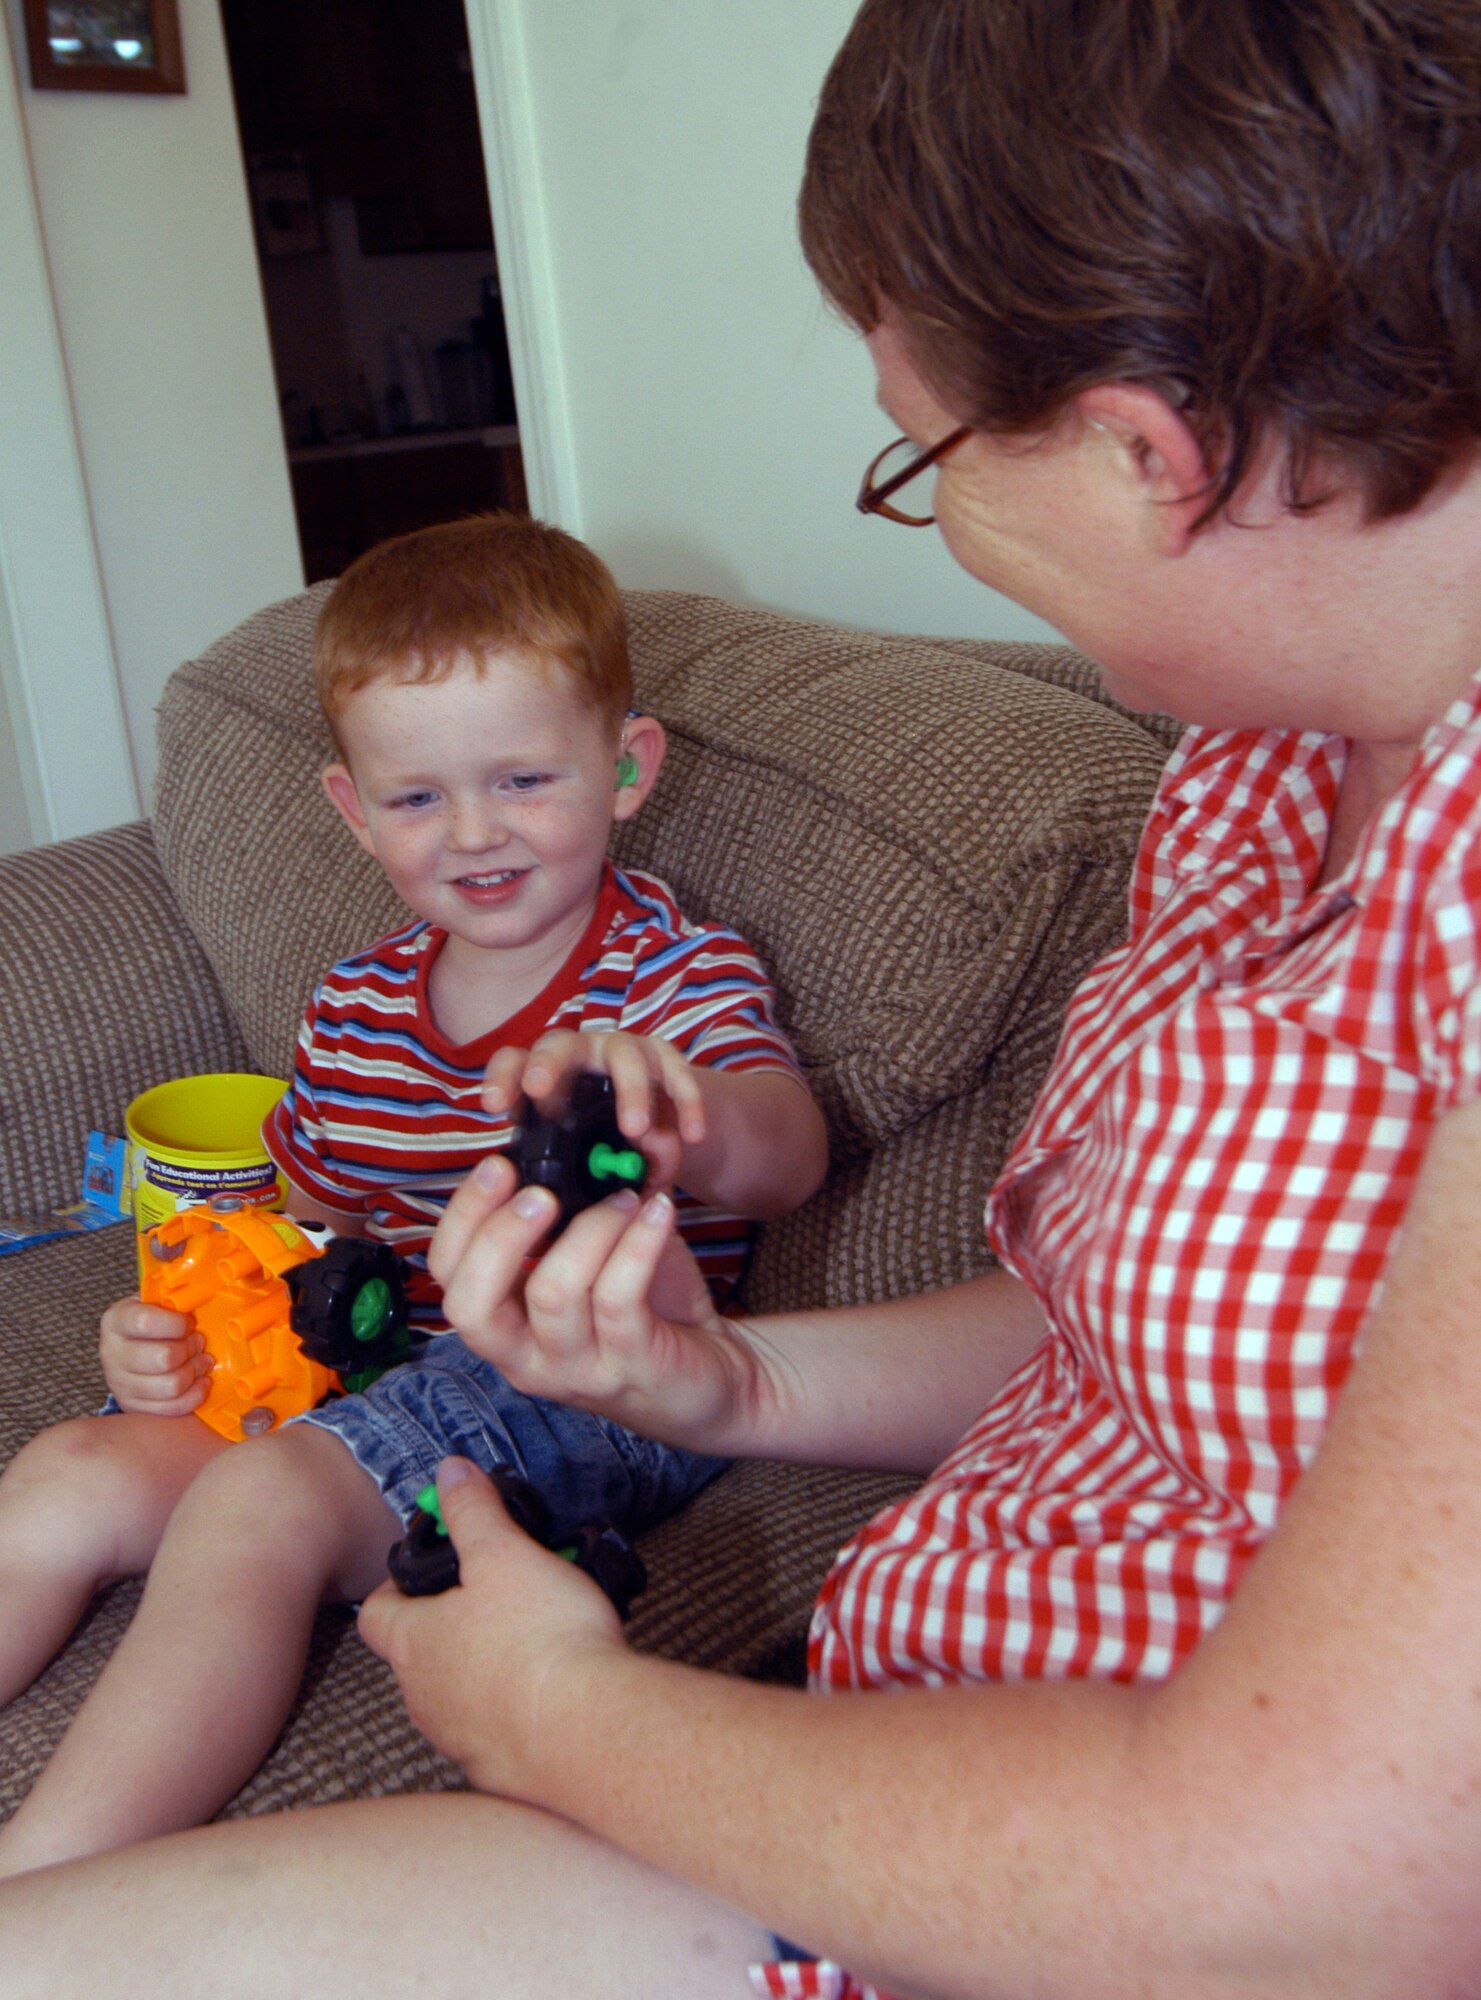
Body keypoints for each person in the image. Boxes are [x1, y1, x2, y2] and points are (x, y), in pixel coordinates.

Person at [3, 0, 1481, 1993]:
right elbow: (1104, 1313)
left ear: (1155, 452)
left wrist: (552, 1712)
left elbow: (1317, 1891)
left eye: (920, 447)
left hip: (1028, 1895)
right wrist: (736, 1385)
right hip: (892, 1754)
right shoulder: (1253, 767)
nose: (938, 511)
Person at [0, 512, 827, 1880]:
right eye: (417, 797)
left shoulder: (670, 974)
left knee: (257, 1508)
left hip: (587, 1374)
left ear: (624, 769)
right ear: (350, 808)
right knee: (65, 1476)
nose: (475, 834)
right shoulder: (355, 1003)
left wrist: (673, 1105)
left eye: (521, 779)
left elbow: (787, 1152)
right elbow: (307, 1228)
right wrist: (179, 1330)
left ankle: (43, 1879)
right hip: (367, 1359)